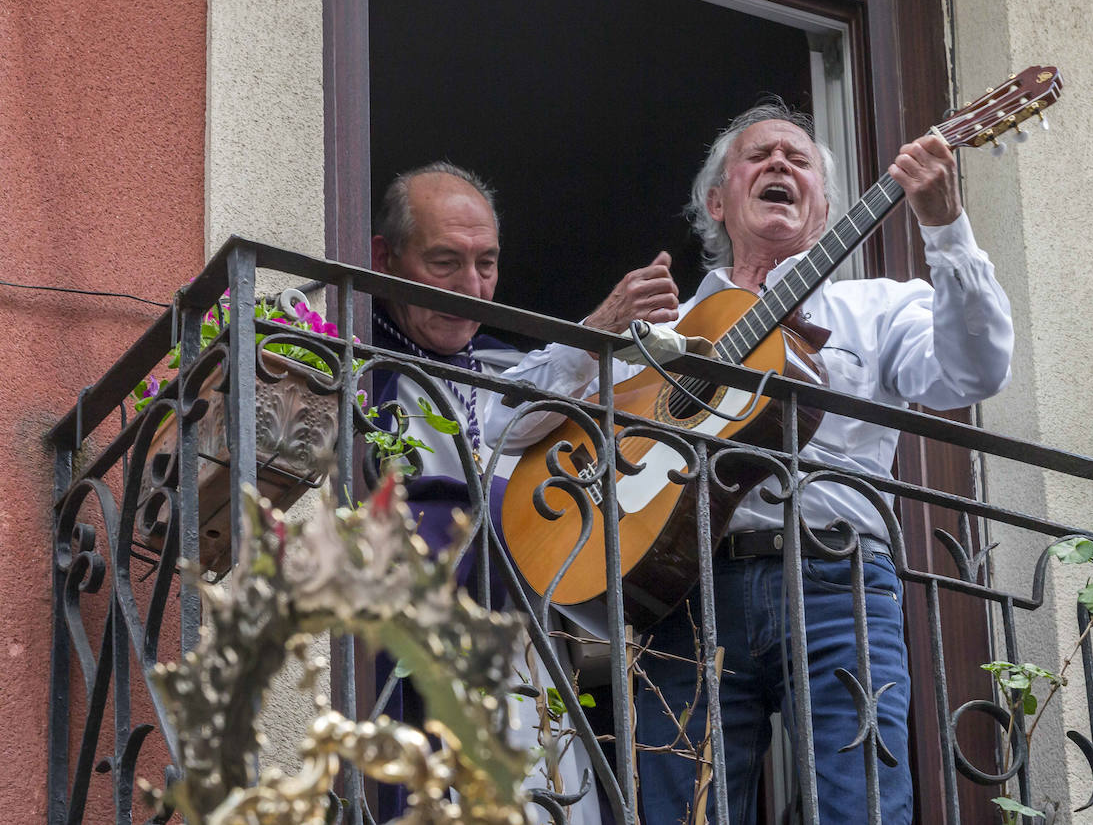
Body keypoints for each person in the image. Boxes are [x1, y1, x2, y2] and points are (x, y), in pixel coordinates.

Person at [485, 102, 1014, 823]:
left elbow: (976, 371)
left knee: (858, 805)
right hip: (684, 587)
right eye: (760, 155)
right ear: (716, 199)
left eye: (800, 161)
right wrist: (595, 335)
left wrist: (946, 227)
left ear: (825, 208)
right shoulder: (664, 330)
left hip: (838, 579)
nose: (781, 166)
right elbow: (503, 424)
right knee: (679, 810)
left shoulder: (880, 308)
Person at [368, 161, 601, 825]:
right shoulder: (351, 371)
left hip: (520, 666)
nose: (471, 287)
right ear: (385, 258)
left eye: (487, 264)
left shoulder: (513, 367)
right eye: (445, 262)